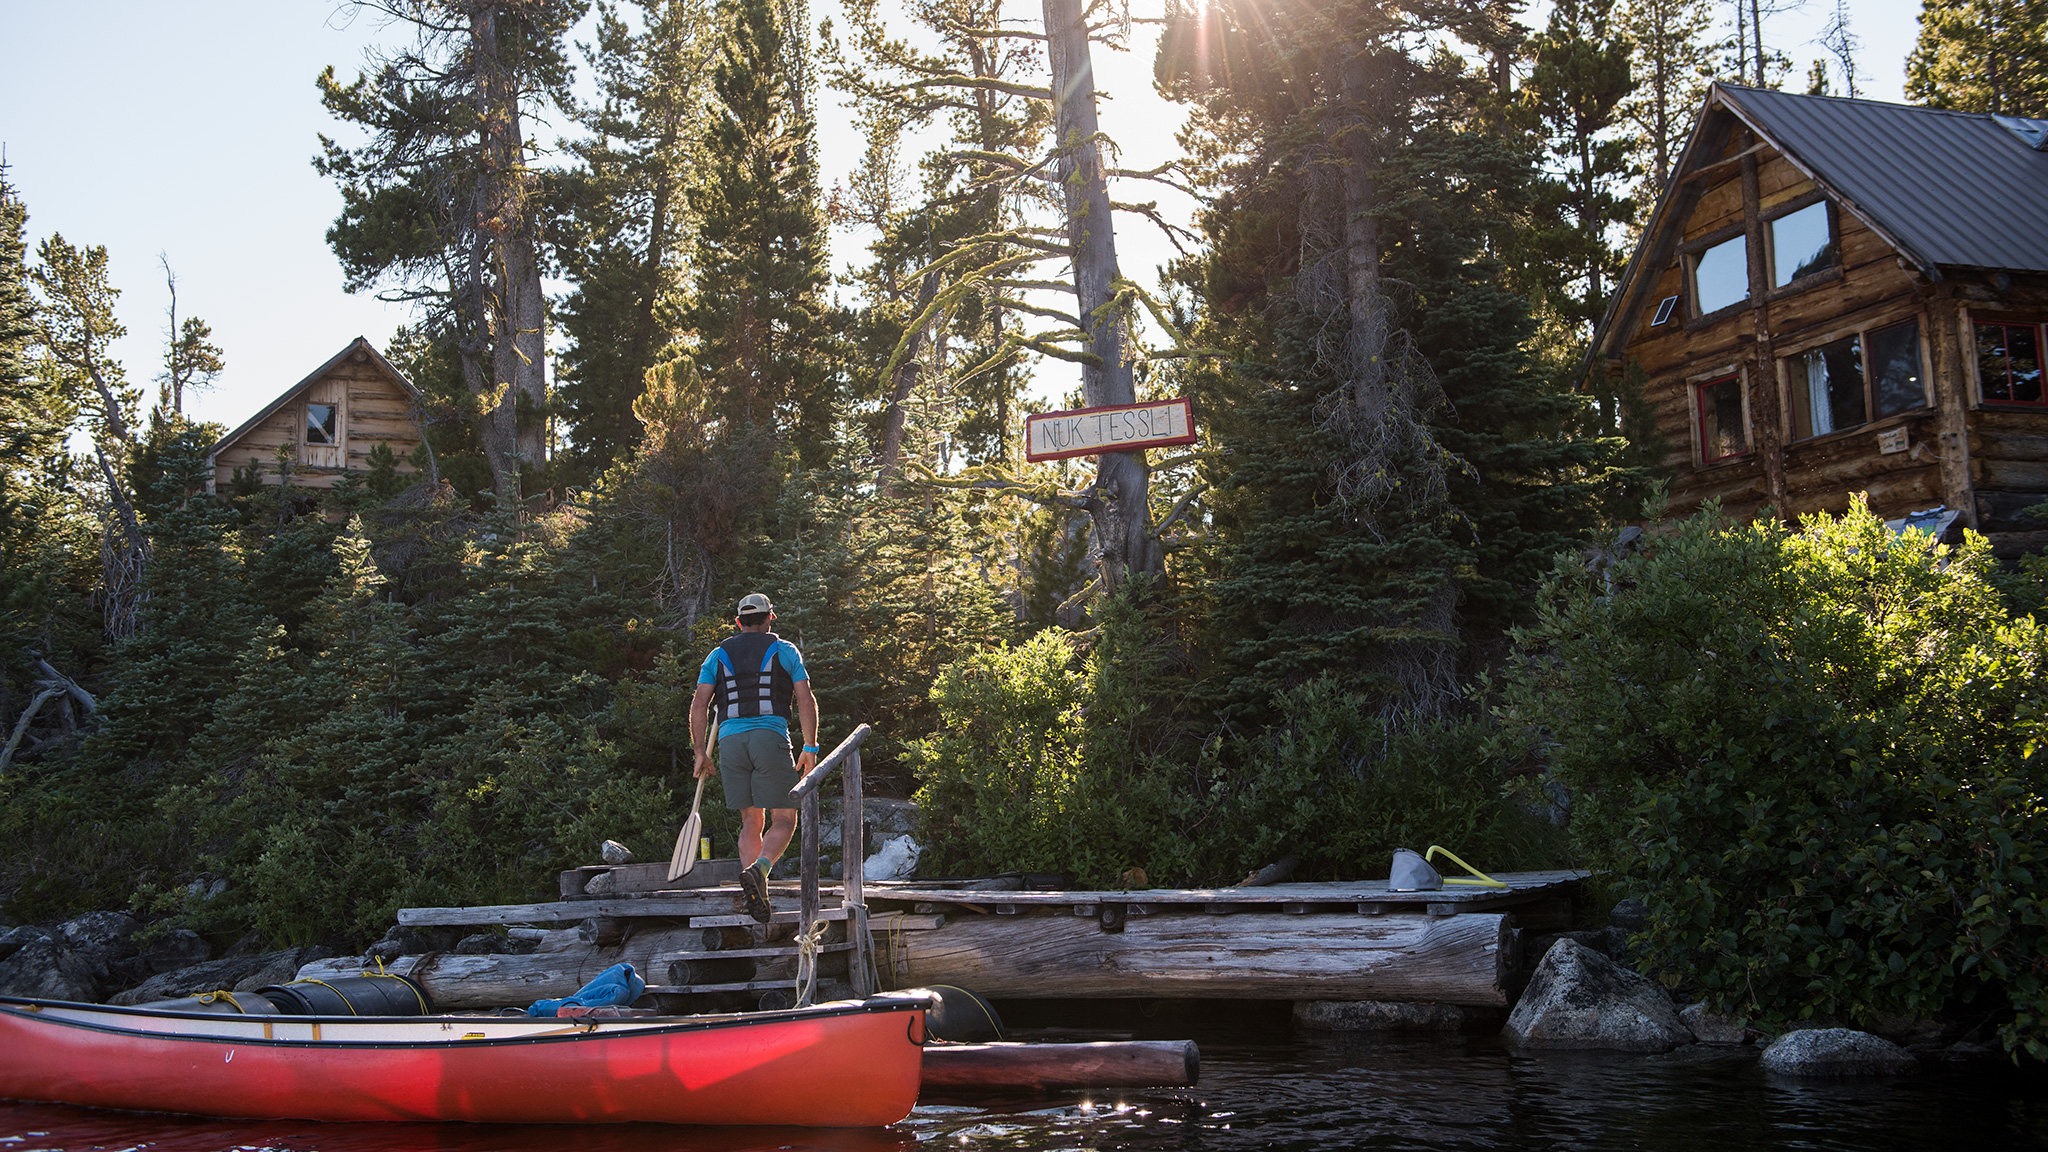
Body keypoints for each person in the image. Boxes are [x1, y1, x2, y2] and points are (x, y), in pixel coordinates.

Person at [690, 593, 819, 923]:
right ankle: (760, 870)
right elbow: (805, 699)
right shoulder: (784, 649)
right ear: (769, 618)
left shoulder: (717, 655)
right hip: (769, 737)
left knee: (751, 820)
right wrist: (810, 747)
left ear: (738, 622)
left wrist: (701, 752)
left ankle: (753, 887)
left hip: (731, 743)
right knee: (785, 819)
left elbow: (699, 704)